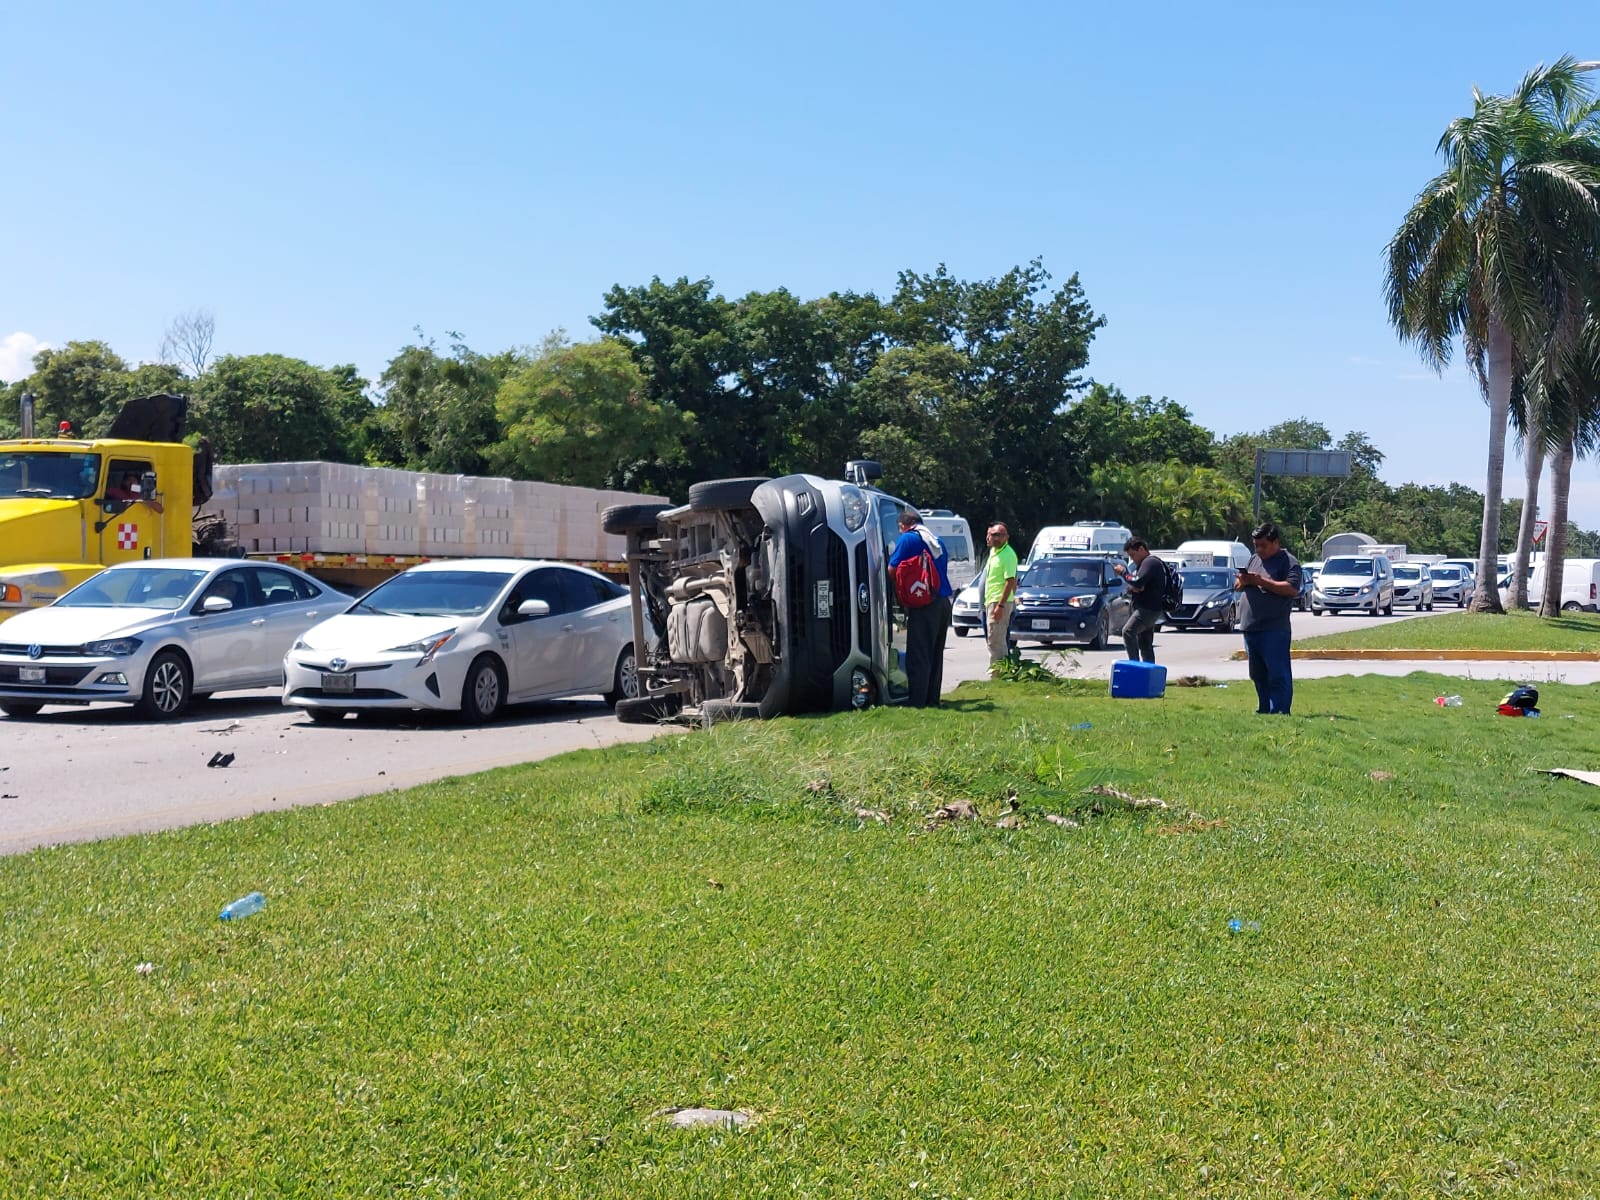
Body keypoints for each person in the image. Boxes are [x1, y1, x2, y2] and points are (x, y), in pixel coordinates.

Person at [1235, 520, 1303, 715]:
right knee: (1257, 673)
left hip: (1273, 628)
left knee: (1277, 672)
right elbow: (1239, 585)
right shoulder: (1254, 559)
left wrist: (1260, 581)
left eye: (1263, 545)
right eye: (1256, 545)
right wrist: (1243, 581)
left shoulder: (1288, 562)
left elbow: (1291, 589)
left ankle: (1280, 710)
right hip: (1250, 626)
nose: (1259, 550)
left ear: (1276, 542)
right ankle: (1264, 709)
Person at [889, 509, 953, 707]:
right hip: (943, 602)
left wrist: (897, 594)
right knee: (935, 654)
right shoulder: (937, 540)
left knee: (919, 653)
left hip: (924, 604)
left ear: (904, 525)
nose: (900, 532)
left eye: (900, 528)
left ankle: (917, 701)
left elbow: (892, 568)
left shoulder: (909, 539)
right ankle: (932, 698)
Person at [1113, 537, 1165, 662]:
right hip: (1149, 608)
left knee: (1128, 632)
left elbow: (1137, 582)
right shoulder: (1145, 565)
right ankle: (1148, 673)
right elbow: (1139, 585)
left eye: (1133, 555)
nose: (1132, 559)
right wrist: (1133, 587)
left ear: (1141, 549)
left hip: (1147, 609)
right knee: (1145, 644)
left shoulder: (1150, 562)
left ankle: (1134, 666)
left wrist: (1123, 573)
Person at [981, 523, 1019, 665]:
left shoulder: (1008, 554)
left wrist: (1001, 606)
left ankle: (999, 675)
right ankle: (998, 672)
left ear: (1006, 537)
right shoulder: (994, 552)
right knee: (993, 639)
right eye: (991, 534)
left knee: (997, 641)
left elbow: (1010, 581)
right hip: (992, 601)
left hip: (999, 602)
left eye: (998, 535)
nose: (992, 538)